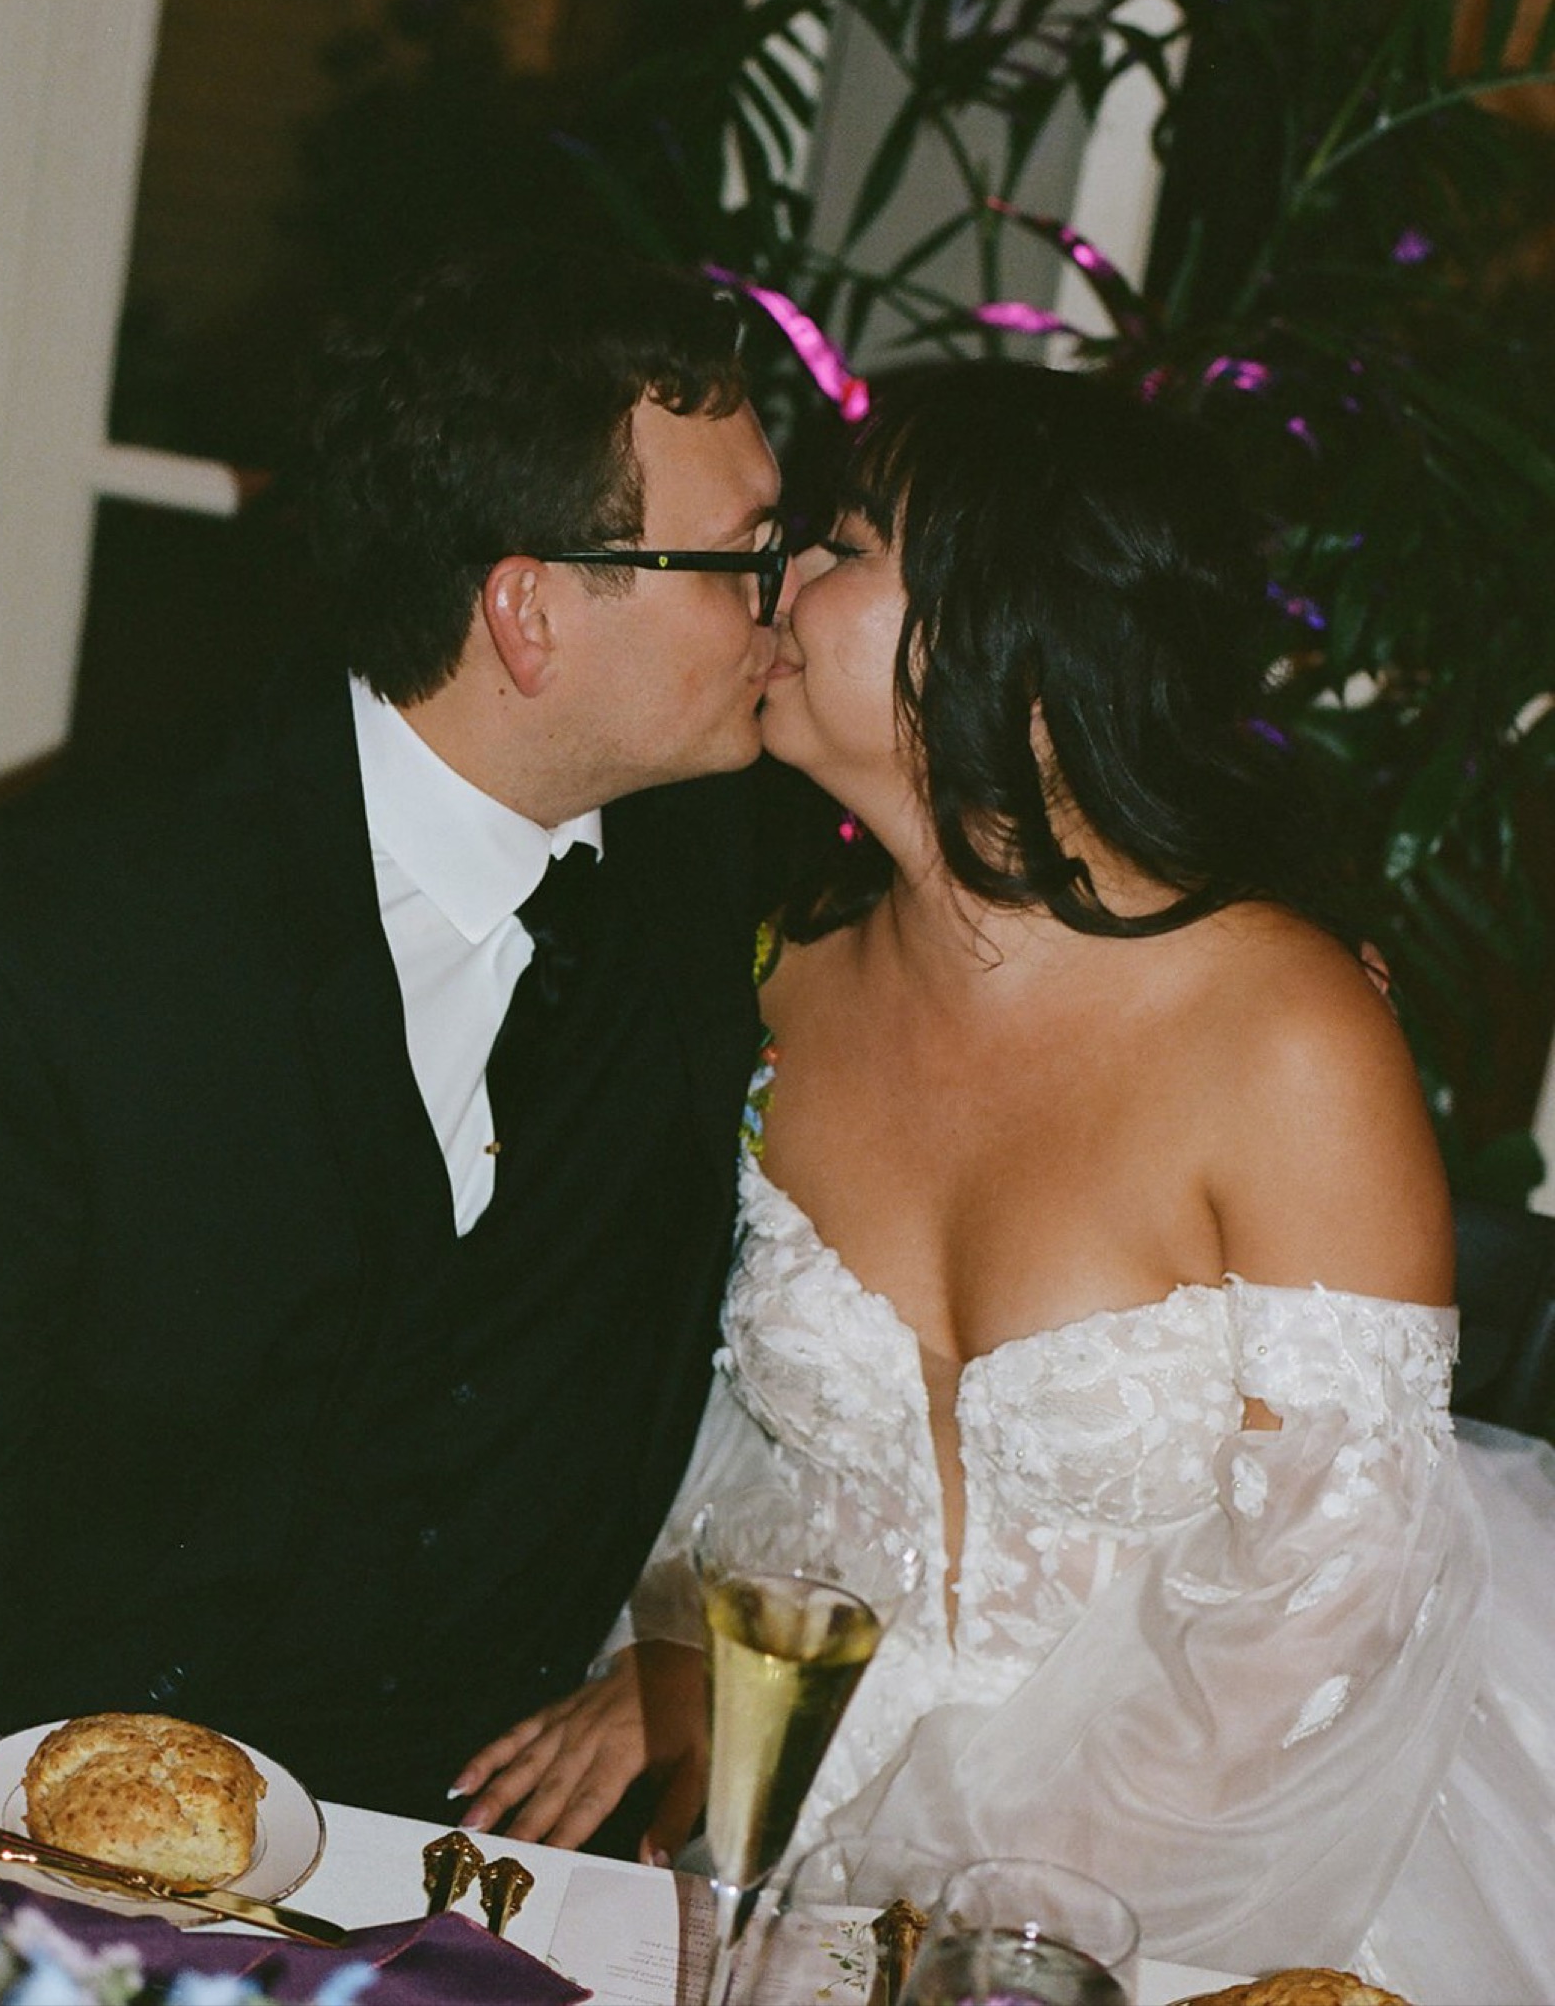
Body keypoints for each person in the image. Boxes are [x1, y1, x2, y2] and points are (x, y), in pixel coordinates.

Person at [459, 358, 1555, 2002]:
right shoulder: (772, 993)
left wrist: (973, 1908)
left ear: (1003, 639)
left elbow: (1325, 1598)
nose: (782, 584)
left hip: (1212, 1859)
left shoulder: (1287, 1036)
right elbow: (758, 1429)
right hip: (789, 1821)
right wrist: (685, 1647)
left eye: (837, 544)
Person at [0, 247, 785, 1822]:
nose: (783, 602)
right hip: (76, 1849)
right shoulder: (53, 948)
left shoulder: (705, 852)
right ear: (529, 612)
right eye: (742, 554)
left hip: (506, 1876)